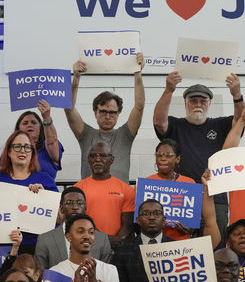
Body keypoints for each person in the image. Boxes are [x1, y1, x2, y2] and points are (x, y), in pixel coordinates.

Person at [153, 72, 245, 236]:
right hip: (181, 199)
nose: (198, 104)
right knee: (182, 246)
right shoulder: (176, 124)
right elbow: (159, 122)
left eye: (203, 101)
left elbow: (241, 120)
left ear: (209, 103)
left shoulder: (220, 124)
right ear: (185, 103)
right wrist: (169, 90)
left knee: (216, 250)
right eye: (193, 100)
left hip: (215, 197)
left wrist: (237, 95)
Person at [65, 54, 145, 183]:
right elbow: (68, 108)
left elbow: (139, 107)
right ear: (95, 113)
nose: (108, 116)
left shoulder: (125, 134)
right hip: (90, 197)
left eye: (112, 113)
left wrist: (138, 74)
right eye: (103, 112)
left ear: (118, 114)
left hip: (119, 198)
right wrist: (76, 77)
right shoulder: (85, 134)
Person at [0, 130, 59, 252]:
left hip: (39, 247)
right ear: (9, 151)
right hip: (4, 247)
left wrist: (44, 197)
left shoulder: (46, 180)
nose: (23, 151)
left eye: (27, 147)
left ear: (32, 152)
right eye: (17, 146)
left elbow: (60, 217)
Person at [34, 186, 112, 268]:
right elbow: (41, 274)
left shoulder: (102, 239)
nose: (75, 207)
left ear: (85, 208)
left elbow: (105, 273)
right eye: (69, 203)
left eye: (79, 203)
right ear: (62, 208)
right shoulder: (44, 239)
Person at [74, 142, 135, 247]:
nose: (97, 160)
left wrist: (117, 239)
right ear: (89, 159)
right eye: (93, 156)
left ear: (112, 160)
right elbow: (76, 221)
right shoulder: (77, 189)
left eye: (103, 156)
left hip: (117, 245)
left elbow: (128, 224)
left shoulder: (126, 189)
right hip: (87, 245)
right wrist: (102, 241)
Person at [111, 199, 175, 282]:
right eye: (146, 213)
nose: (152, 217)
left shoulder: (177, 247)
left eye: (157, 213)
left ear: (164, 220)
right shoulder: (123, 250)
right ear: (138, 220)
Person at [146, 138, 196, 240]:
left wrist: (190, 229)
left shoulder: (189, 183)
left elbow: (194, 222)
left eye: (168, 155)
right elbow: (138, 219)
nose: (163, 158)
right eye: (159, 155)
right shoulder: (146, 184)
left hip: (181, 242)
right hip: (154, 242)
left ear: (177, 159)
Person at [51, 214, 119, 282]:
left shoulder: (110, 270)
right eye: (80, 231)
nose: (87, 236)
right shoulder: (53, 273)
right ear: (69, 237)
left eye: (91, 232)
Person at [8, 101, 63, 181]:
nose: (29, 125)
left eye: (34, 122)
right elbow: (0, 172)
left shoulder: (46, 146)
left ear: (41, 127)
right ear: (18, 128)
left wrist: (46, 117)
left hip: (44, 190)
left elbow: (52, 142)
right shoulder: (12, 147)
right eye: (25, 123)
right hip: (16, 192)